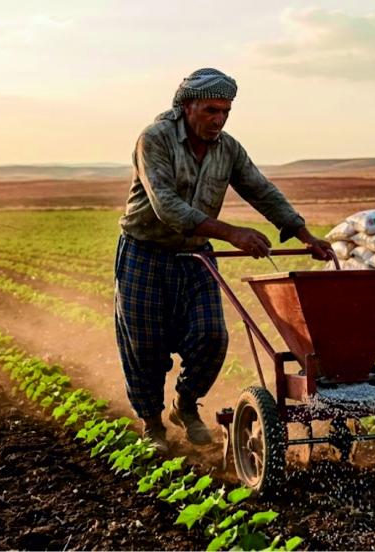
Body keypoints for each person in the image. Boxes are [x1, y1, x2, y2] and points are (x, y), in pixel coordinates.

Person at [115, 68, 331, 453]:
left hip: (195, 256)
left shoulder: (228, 149)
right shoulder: (155, 140)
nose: (219, 120)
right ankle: (152, 425)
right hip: (145, 252)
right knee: (145, 346)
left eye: (226, 112)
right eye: (211, 110)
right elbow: (167, 207)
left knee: (212, 336)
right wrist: (233, 233)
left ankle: (185, 404)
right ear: (186, 107)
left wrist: (305, 236)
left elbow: (262, 191)